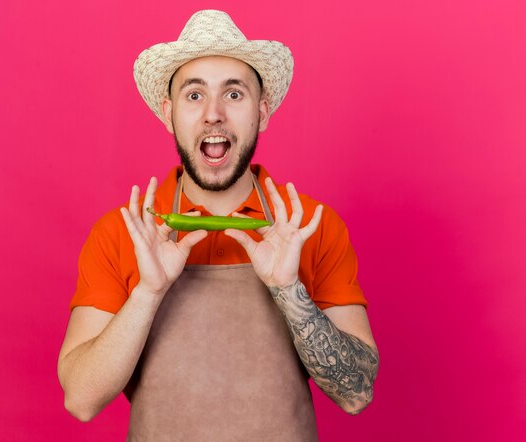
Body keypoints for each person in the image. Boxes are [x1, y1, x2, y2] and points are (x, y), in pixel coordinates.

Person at [58, 9, 379, 440]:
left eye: (233, 94)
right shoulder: (125, 233)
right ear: (168, 113)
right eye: (194, 95)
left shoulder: (306, 227)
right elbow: (80, 399)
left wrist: (289, 290)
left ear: (262, 113)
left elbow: (356, 392)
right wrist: (147, 293)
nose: (213, 114)